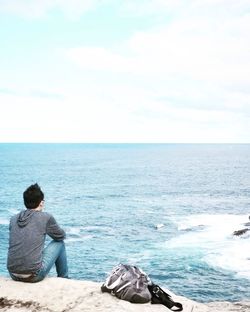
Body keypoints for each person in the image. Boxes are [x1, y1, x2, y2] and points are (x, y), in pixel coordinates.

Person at [7, 183, 68, 282]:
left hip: (13, 274)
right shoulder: (45, 217)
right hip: (34, 275)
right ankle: (64, 278)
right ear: (41, 203)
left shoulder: (13, 219)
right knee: (59, 243)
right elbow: (60, 236)